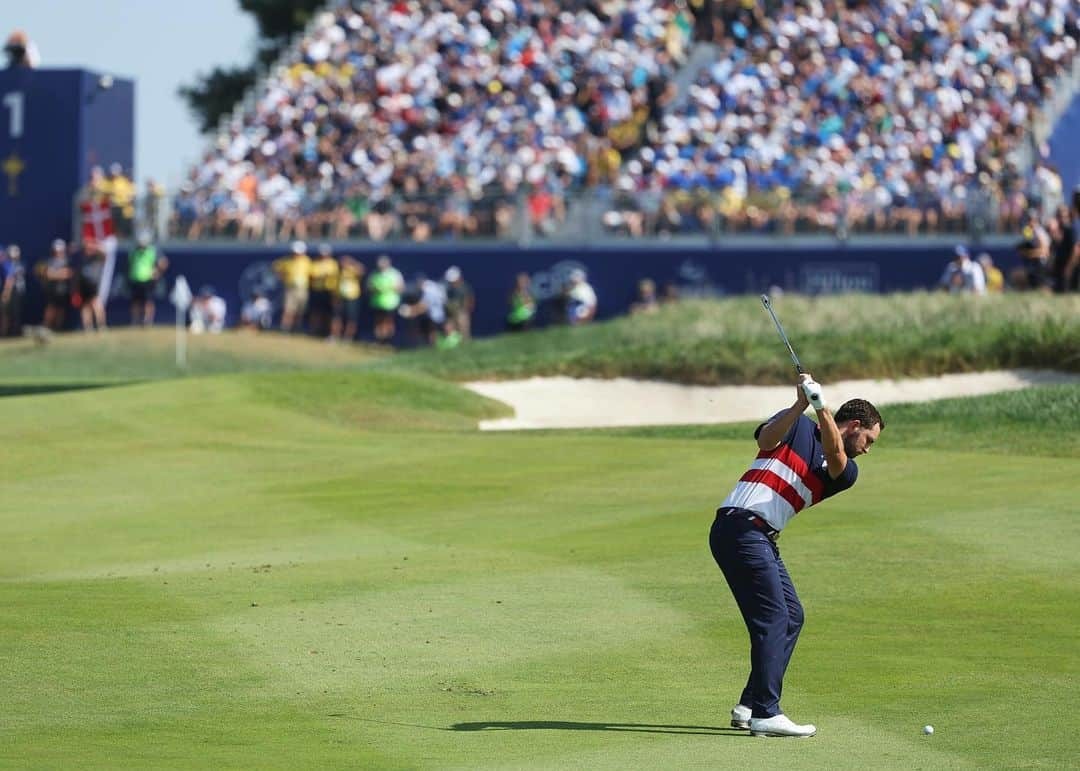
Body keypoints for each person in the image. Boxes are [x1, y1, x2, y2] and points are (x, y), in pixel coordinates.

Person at [712, 375, 884, 738]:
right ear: (854, 425)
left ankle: (750, 704)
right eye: (869, 440)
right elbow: (764, 440)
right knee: (774, 618)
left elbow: (836, 457)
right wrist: (799, 405)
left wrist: (820, 406)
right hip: (740, 528)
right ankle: (766, 711)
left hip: (760, 536)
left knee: (792, 616)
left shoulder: (847, 471)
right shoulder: (798, 427)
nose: (868, 449)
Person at [128, 232, 169, 326]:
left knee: (148, 301)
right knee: (135, 302)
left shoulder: (152, 250)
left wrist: (157, 272)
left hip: (148, 280)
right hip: (135, 280)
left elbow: (164, 263)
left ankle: (147, 321)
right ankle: (135, 321)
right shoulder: (133, 251)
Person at [398, 273, 447, 346]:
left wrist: (410, 311)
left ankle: (434, 345)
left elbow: (424, 306)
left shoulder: (429, 289)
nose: (418, 285)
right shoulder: (430, 286)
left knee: (434, 330)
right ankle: (433, 345)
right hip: (436, 312)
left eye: (419, 283)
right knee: (432, 329)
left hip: (437, 313)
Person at [272, 240, 311, 332]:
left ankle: (297, 328)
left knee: (300, 311)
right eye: (295, 252)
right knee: (288, 309)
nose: (296, 254)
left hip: (302, 288)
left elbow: (311, 274)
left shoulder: (307, 261)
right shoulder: (286, 260)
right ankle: (285, 328)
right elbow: (275, 267)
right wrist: (281, 275)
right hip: (290, 288)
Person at [37, 239, 73, 331]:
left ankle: (58, 328)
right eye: (56, 250)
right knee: (51, 308)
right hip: (52, 290)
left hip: (63, 289)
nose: (58, 252)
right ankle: (46, 327)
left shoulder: (68, 261)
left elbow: (69, 273)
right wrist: (60, 274)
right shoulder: (49, 261)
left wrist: (56, 273)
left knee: (61, 310)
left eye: (60, 250)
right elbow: (48, 275)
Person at [367, 255, 404, 342]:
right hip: (377, 303)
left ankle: (388, 339)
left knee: (389, 321)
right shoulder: (374, 274)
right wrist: (376, 289)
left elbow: (401, 288)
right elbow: (369, 287)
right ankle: (380, 340)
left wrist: (390, 288)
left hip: (391, 304)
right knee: (378, 322)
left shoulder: (395, 273)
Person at [307, 243, 339, 338]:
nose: (323, 256)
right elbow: (312, 275)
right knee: (316, 312)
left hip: (329, 291)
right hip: (317, 291)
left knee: (329, 314)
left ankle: (327, 332)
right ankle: (314, 331)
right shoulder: (315, 263)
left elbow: (334, 276)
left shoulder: (333, 263)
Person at [75, 240, 108, 331]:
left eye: (89, 248)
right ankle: (88, 327)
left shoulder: (97, 258)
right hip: (83, 286)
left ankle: (101, 326)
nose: (88, 249)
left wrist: (95, 246)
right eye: (86, 248)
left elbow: (105, 254)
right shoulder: (81, 258)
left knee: (96, 304)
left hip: (93, 286)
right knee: (85, 307)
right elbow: (78, 274)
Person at [331, 255, 365, 342]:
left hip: (352, 297)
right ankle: (335, 336)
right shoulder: (338, 271)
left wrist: (352, 262)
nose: (343, 264)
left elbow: (362, 270)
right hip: (339, 297)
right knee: (337, 317)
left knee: (351, 318)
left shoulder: (353, 269)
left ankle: (348, 337)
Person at [0, 244, 26, 336]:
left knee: (8, 314)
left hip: (9, 292)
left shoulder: (8, 265)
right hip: (6, 292)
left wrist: (6, 293)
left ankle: (8, 334)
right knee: (5, 314)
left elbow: (9, 279)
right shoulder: (6, 264)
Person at [443, 266, 475, 340]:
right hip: (452, 314)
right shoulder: (449, 290)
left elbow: (470, 302)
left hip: (462, 313)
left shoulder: (465, 288)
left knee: (463, 328)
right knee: (449, 326)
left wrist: (462, 310)